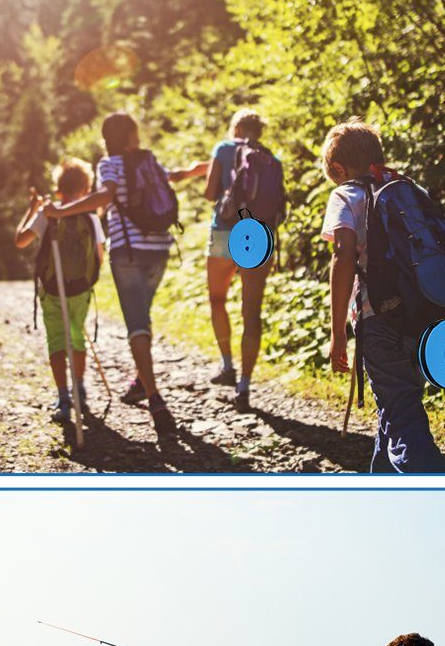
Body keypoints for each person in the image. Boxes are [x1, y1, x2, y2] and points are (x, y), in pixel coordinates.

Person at [40, 112, 207, 436]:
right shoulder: (148, 160)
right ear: (131, 134)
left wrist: (62, 210)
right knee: (142, 317)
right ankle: (140, 382)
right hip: (160, 248)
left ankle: (156, 399)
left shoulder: (110, 164)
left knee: (137, 324)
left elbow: (106, 196)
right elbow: (172, 176)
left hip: (129, 252)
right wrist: (199, 169)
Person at [320, 119, 445, 471]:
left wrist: (337, 333)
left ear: (337, 168)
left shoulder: (345, 194)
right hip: (425, 313)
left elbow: (343, 255)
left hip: (378, 318)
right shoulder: (406, 190)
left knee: (402, 413)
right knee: (396, 405)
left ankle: (435, 496)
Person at [13, 159, 106, 422]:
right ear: (86, 187)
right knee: (77, 336)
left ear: (58, 188)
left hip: (52, 289)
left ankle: (63, 396)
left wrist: (32, 210)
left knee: (56, 339)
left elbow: (21, 241)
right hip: (80, 288)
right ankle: (80, 388)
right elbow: (99, 255)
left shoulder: (47, 213)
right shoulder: (90, 216)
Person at [202, 110, 281, 410]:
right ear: (259, 131)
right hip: (259, 235)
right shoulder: (272, 159)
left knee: (217, 299)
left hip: (225, 232)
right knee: (252, 312)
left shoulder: (223, 149)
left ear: (236, 127)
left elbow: (211, 193)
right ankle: (244, 386)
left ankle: (226, 365)